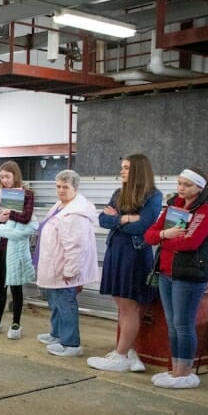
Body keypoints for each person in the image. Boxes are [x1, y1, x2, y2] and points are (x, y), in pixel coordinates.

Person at [142, 167, 208, 389]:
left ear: (200, 187)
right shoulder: (173, 206)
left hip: (189, 274)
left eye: (187, 185)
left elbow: (190, 242)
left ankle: (184, 372)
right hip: (167, 272)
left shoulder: (207, 210)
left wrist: (162, 239)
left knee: (184, 324)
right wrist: (165, 235)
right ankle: (175, 370)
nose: (181, 188)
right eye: (179, 183)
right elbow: (149, 235)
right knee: (172, 324)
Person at [86, 154, 162, 373]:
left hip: (135, 254)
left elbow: (143, 226)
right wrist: (126, 218)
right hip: (116, 251)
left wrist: (118, 219)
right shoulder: (119, 193)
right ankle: (128, 352)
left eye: (127, 167)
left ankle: (120, 356)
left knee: (129, 307)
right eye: (122, 167)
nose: (122, 171)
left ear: (138, 170)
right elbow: (103, 219)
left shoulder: (153, 196)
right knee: (121, 305)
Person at [35, 170, 100, 357]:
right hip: (54, 265)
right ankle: (57, 334)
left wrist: (71, 271)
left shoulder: (75, 214)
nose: (61, 190)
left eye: (66, 187)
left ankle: (71, 343)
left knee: (65, 303)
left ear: (75, 188)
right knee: (55, 301)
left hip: (64, 268)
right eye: (58, 186)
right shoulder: (61, 206)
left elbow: (75, 246)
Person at [0, 161, 36, 340]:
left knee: (16, 285)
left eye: (8, 177)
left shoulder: (27, 194)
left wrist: (9, 214)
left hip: (15, 249)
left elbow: (26, 218)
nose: (5, 180)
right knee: (0, 285)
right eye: (2, 177)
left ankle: (16, 323)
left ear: (15, 176)